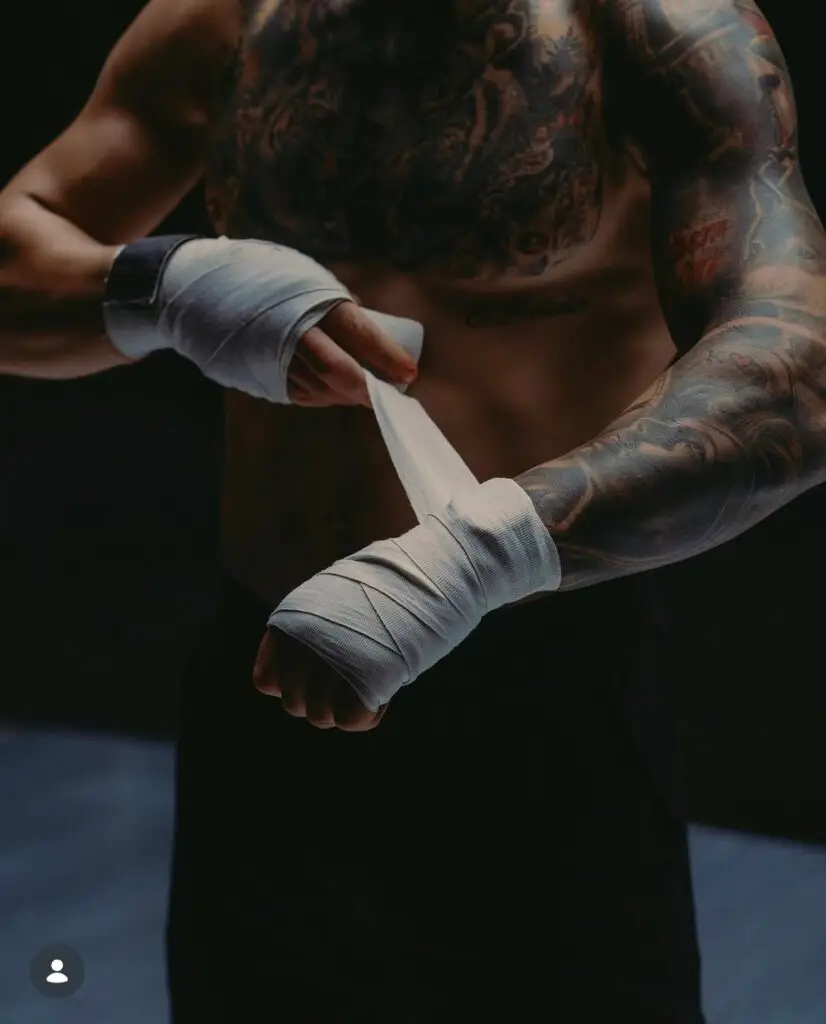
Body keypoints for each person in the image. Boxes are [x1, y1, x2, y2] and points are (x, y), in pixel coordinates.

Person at [1, 0, 824, 1019]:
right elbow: (15, 263)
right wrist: (166, 287)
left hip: (541, 701)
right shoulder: (224, 19)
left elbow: (795, 373)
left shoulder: (663, 31)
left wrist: (472, 557)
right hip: (270, 678)